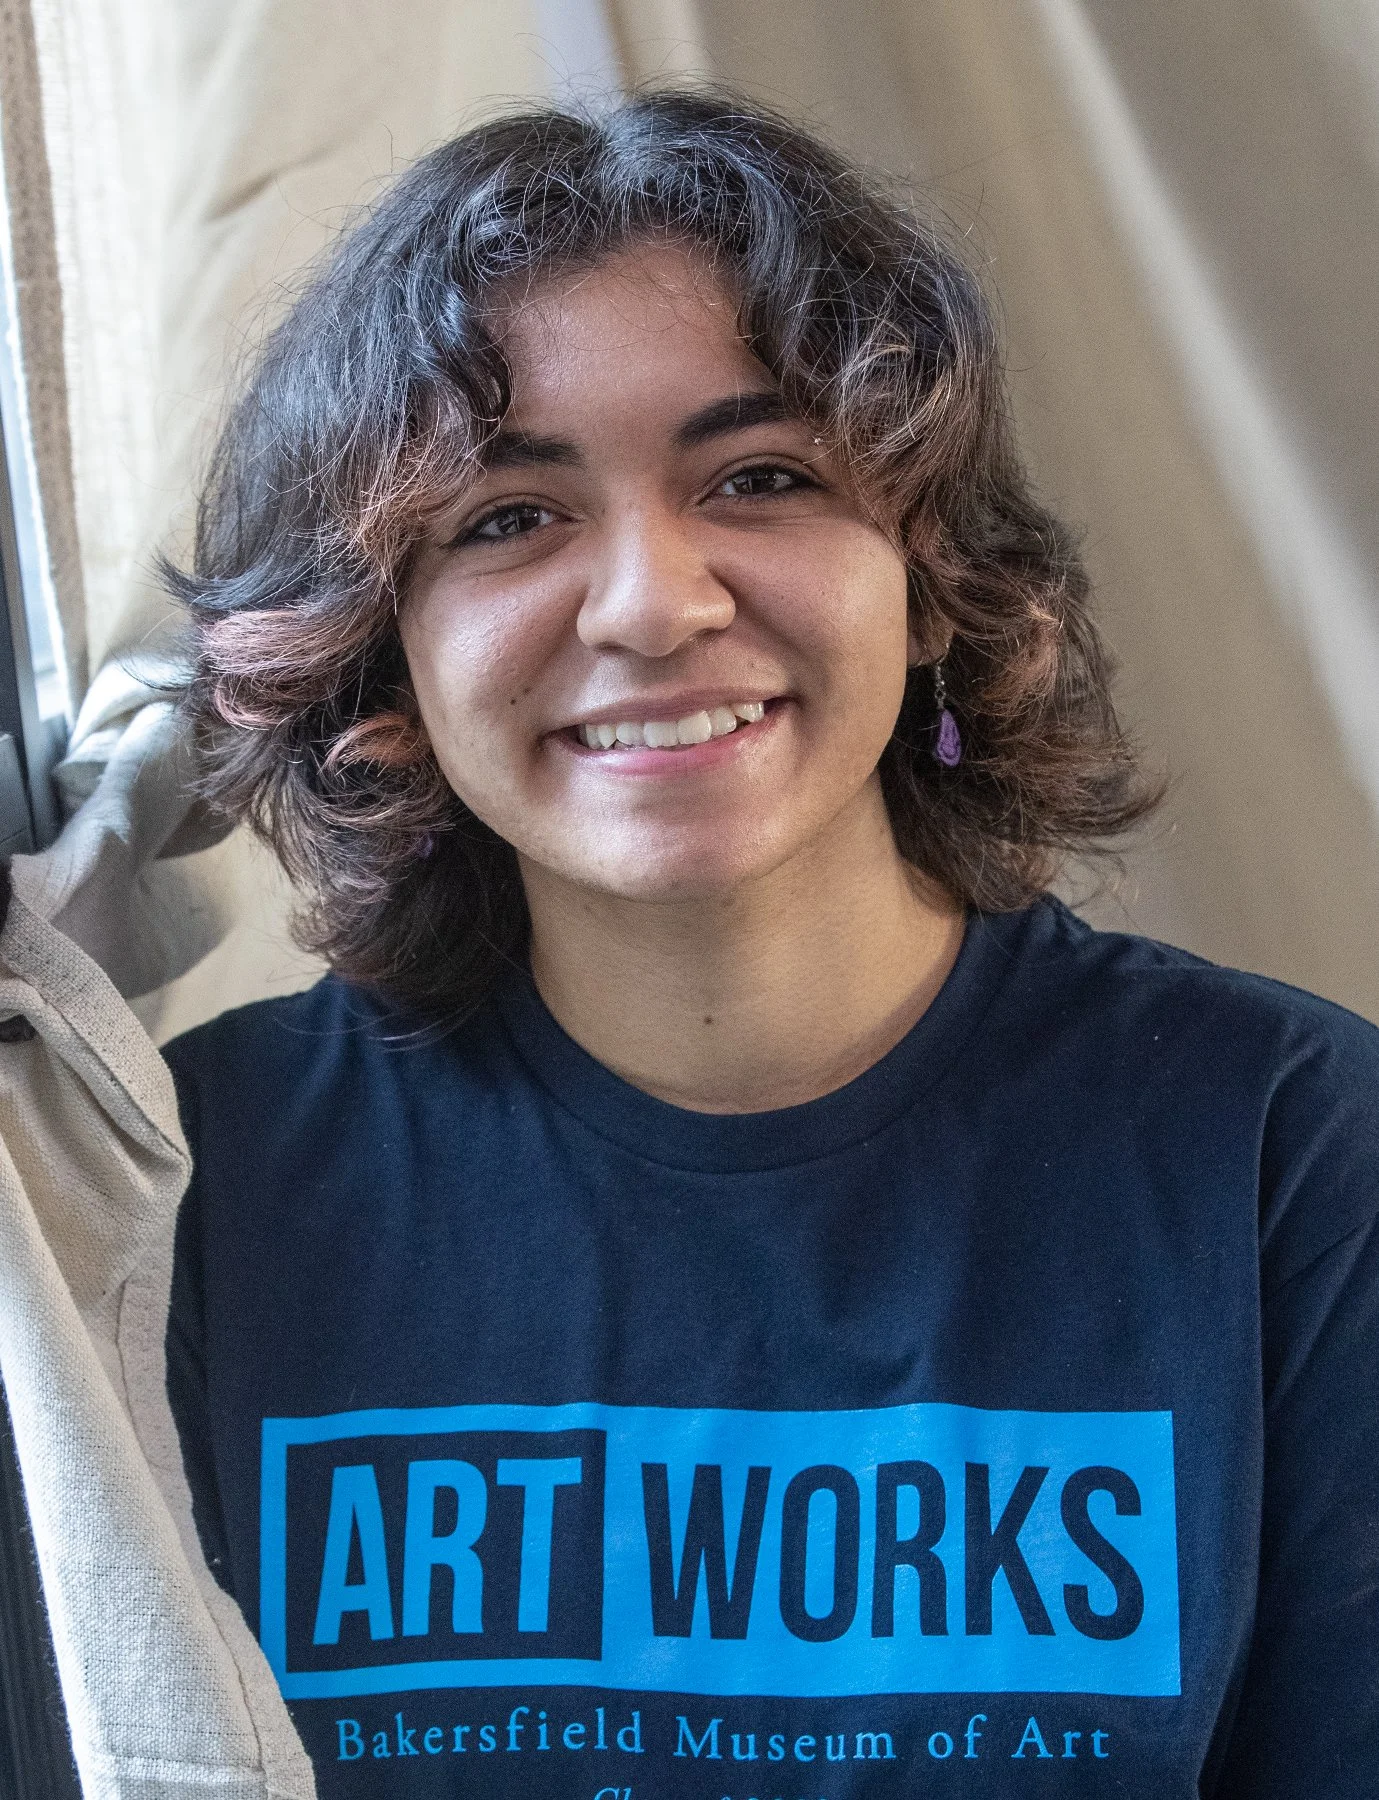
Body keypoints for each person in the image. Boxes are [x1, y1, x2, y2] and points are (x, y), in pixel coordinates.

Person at [161, 90, 1379, 1797]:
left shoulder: (1284, 1141)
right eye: (507, 516)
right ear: (382, 651)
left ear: (930, 575)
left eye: (760, 477)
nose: (651, 605)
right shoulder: (194, 1179)